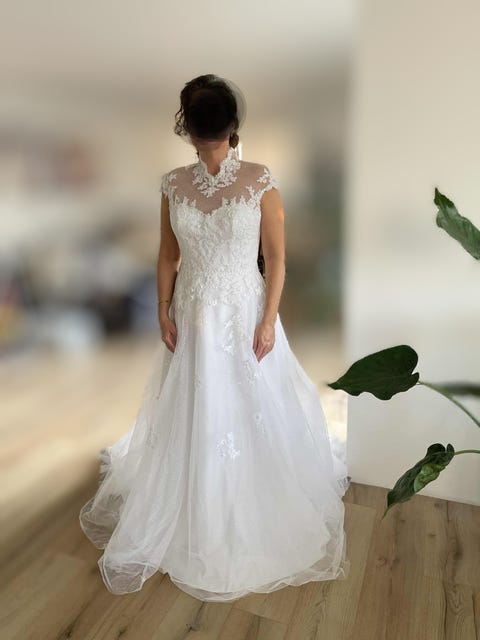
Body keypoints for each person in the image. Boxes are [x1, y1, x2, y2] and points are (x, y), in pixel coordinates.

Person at [79, 73, 351, 602]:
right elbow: (167, 255)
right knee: (193, 409)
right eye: (198, 127)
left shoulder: (260, 180)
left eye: (211, 127)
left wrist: (268, 320)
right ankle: (190, 501)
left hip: (245, 312)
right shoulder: (171, 185)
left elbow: (276, 258)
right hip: (192, 312)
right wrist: (162, 308)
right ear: (188, 129)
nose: (205, 137)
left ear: (228, 127)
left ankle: (246, 502)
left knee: (250, 407)